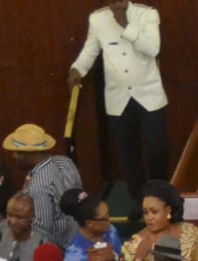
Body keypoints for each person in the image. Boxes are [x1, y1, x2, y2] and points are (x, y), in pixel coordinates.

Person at [71, 1, 169, 205]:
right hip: (119, 99)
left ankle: (161, 196)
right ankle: (140, 200)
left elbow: (153, 48)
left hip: (149, 96)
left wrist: (126, 25)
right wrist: (77, 69)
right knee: (128, 156)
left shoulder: (147, 14)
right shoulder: (98, 19)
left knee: (156, 149)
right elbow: (91, 49)